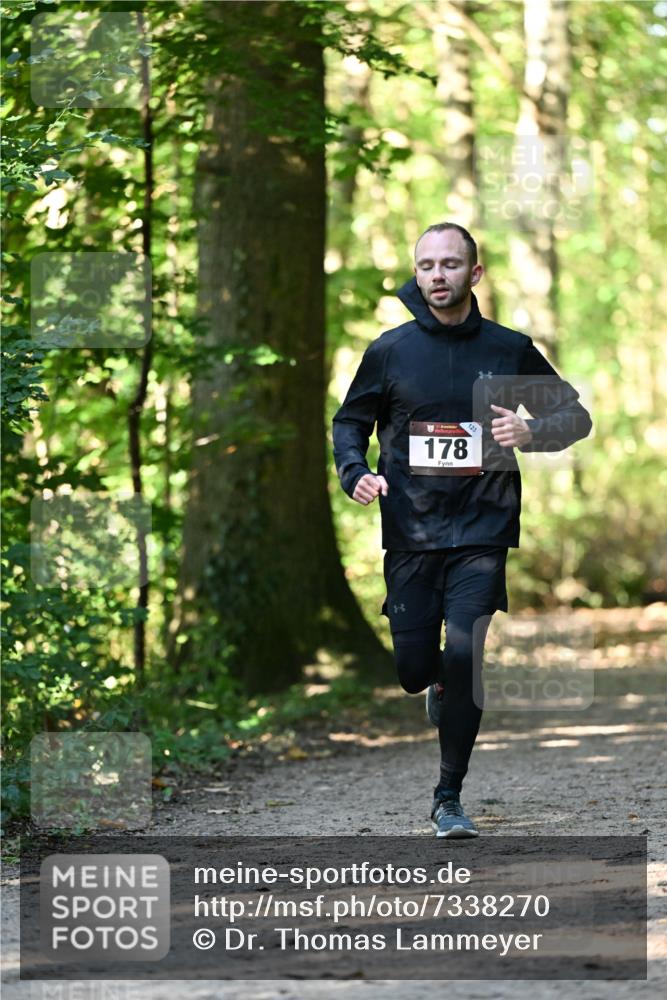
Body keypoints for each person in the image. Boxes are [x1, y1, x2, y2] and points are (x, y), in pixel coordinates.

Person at [332, 222, 592, 839]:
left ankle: (448, 796)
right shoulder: (391, 351)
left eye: (451, 264)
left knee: (466, 651)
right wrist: (355, 473)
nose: (438, 275)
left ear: (474, 274)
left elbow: (573, 415)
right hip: (412, 531)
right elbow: (350, 422)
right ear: (417, 274)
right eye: (427, 266)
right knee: (415, 669)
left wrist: (532, 433)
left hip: (483, 528)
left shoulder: (507, 349)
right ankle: (433, 681)